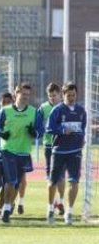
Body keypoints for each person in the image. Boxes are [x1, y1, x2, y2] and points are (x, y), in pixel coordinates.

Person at [0, 83, 43, 223]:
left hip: (24, 151)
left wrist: (35, 133)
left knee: (17, 182)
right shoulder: (6, 111)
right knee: (11, 180)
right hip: (8, 149)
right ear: (16, 94)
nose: (25, 97)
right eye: (23, 94)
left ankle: (8, 206)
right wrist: (1, 133)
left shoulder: (34, 112)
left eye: (27, 94)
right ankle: (6, 210)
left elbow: (40, 131)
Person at [46, 83, 86, 225]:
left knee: (74, 181)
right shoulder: (57, 110)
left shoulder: (81, 111)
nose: (71, 97)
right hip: (59, 151)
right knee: (53, 182)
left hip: (75, 151)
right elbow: (49, 128)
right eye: (68, 95)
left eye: (73, 95)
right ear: (63, 95)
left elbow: (83, 128)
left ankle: (69, 212)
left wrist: (83, 139)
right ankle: (50, 208)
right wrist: (62, 130)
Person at [37, 82, 65, 216]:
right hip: (48, 145)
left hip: (63, 145)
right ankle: (53, 202)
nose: (52, 98)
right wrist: (40, 131)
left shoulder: (64, 107)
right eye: (50, 96)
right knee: (50, 176)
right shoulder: (43, 108)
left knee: (61, 176)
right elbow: (38, 123)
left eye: (54, 95)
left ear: (60, 94)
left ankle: (61, 201)